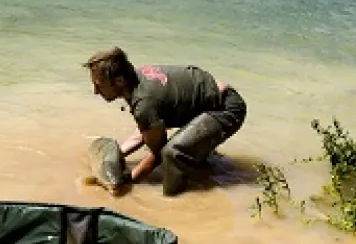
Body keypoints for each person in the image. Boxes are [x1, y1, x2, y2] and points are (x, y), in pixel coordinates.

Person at [83, 47, 247, 196]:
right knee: (187, 150)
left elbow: (158, 153)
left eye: (99, 85)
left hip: (226, 108)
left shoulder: (143, 102)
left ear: (119, 81)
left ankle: (174, 200)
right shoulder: (135, 79)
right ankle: (205, 167)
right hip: (209, 102)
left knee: (173, 153)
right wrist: (116, 155)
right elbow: (145, 129)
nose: (96, 91)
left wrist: (127, 183)